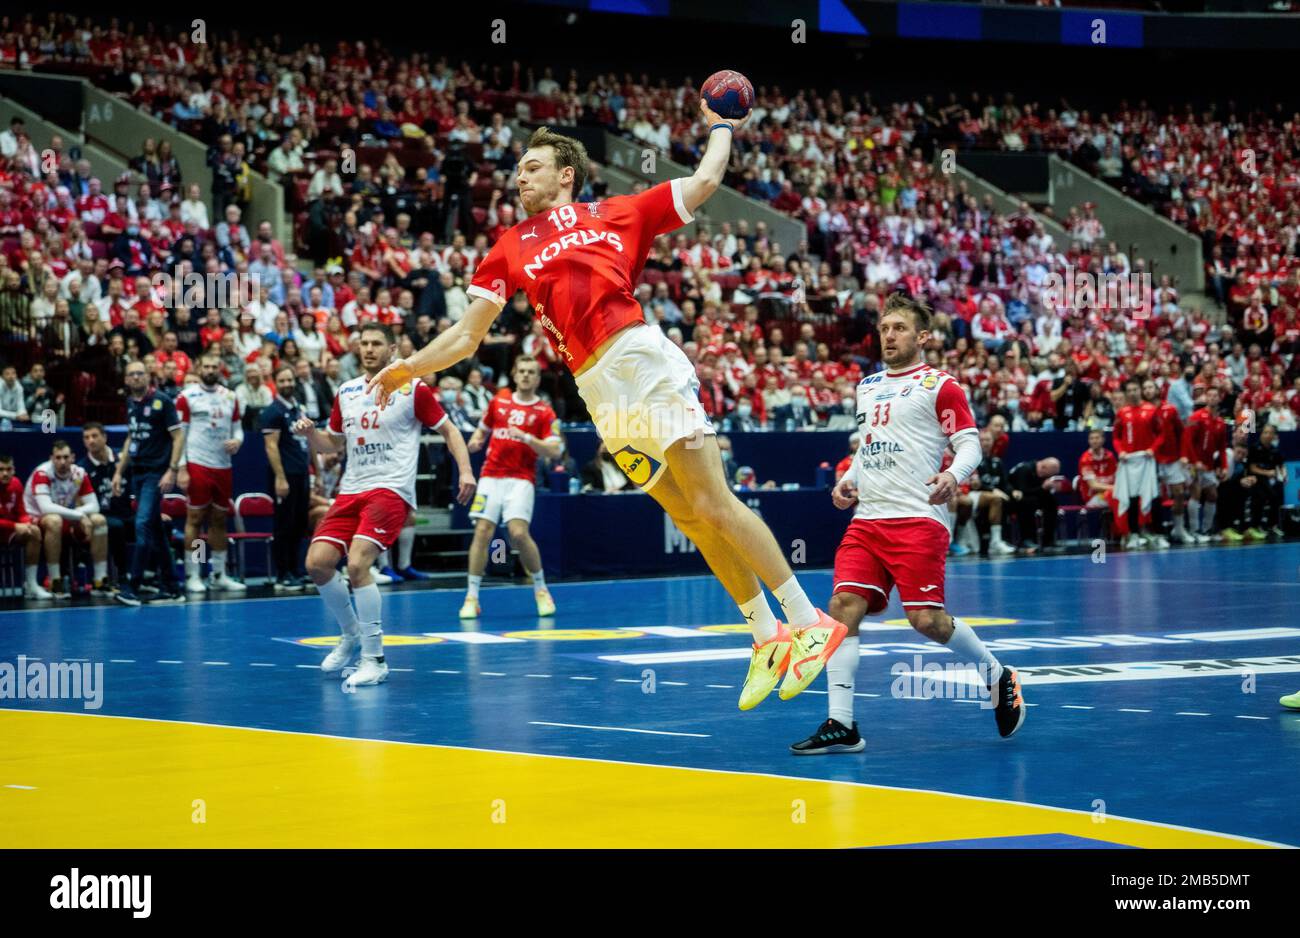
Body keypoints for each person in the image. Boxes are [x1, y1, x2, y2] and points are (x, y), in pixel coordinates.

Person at [367, 116, 846, 711]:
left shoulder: (615, 212)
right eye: (518, 169)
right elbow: (467, 336)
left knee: (713, 502)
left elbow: (702, 181)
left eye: (533, 167)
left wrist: (722, 125)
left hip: (639, 358)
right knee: (693, 520)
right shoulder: (509, 245)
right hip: (596, 390)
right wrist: (408, 366)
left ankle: (808, 621)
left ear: (566, 176)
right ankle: (765, 635)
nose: (520, 176)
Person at [791, 294, 1025, 754]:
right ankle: (842, 723)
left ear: (922, 337)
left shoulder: (941, 385)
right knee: (842, 608)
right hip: (869, 519)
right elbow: (870, 445)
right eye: (884, 328)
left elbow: (970, 445)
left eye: (899, 328)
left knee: (926, 621)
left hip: (918, 517)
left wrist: (952, 476)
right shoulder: (868, 385)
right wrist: (848, 480)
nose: (889, 336)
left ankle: (998, 675)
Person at [297, 325, 475, 689]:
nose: (369, 349)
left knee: (358, 563)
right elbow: (331, 444)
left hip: (390, 489)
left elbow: (450, 432)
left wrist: (466, 471)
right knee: (316, 564)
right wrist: (310, 435)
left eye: (376, 343)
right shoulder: (346, 391)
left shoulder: (413, 388)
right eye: (363, 343)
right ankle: (350, 635)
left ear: (392, 349)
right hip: (351, 489)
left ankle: (374, 659)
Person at [462, 355, 563, 619]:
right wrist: (475, 441)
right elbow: (482, 430)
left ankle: (541, 589)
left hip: (520, 479)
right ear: (515, 375)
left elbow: (555, 450)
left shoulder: (544, 412)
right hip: (490, 476)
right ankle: (472, 596)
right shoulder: (499, 402)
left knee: (518, 533)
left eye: (532, 372)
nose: (527, 376)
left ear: (538, 378)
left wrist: (529, 438)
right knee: (483, 531)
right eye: (522, 371)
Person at [112, 362, 186, 605]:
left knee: (142, 523)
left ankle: (132, 587)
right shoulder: (131, 403)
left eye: (140, 373)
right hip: (137, 472)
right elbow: (131, 438)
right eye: (131, 374)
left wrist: (172, 470)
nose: (135, 377)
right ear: (125, 380)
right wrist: (118, 473)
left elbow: (178, 437)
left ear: (148, 376)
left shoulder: (162, 401)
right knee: (154, 528)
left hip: (156, 473)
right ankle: (173, 587)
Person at [176, 354, 246, 594]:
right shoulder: (187, 397)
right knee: (195, 520)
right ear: (199, 368)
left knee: (218, 520)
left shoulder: (230, 396)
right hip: (197, 463)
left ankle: (218, 575)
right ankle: (194, 574)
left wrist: (237, 441)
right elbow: (179, 436)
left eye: (214, 366)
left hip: (223, 466)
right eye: (205, 366)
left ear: (220, 369)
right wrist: (182, 467)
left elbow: (238, 429)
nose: (209, 369)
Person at [25, 439, 112, 599]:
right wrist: (79, 515)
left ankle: (100, 581)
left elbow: (94, 506)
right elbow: (46, 508)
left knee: (99, 519)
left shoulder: (79, 473)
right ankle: (55, 582)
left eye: (66, 457)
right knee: (54, 520)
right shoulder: (42, 473)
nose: (62, 462)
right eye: (58, 458)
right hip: (36, 520)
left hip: (64, 517)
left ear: (72, 457)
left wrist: (79, 513)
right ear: (52, 458)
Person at [259, 365, 312, 591]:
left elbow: (308, 440)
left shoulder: (298, 408)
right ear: (275, 383)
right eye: (282, 381)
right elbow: (271, 447)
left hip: (301, 473)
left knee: (299, 524)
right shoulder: (273, 411)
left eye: (290, 380)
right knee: (284, 525)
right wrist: (280, 478)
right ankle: (283, 573)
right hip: (285, 475)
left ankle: (296, 569)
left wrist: (314, 471)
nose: (287, 384)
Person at [80, 423, 133, 592]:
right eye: (87, 438)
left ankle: (151, 575)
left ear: (105, 437)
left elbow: (137, 488)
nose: (91, 441)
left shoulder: (122, 460)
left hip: (126, 512)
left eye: (94, 436)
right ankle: (123, 575)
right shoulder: (83, 469)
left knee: (156, 523)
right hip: (103, 516)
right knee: (117, 526)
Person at [1113, 379, 1165, 550]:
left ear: (1140, 391)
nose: (1133, 392)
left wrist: (1153, 449)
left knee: (1155, 497)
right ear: (1126, 393)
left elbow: (1161, 434)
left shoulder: (1151, 410)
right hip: (1129, 461)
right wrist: (1120, 451)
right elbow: (1116, 437)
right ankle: (1134, 535)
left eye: (1136, 389)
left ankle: (1158, 534)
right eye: (1130, 390)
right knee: (1132, 498)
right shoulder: (1122, 413)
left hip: (1147, 460)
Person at [1147, 378, 1192, 544]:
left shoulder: (1170, 409)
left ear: (1157, 390)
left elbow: (1182, 433)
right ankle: (1157, 534)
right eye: (1146, 388)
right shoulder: (1144, 411)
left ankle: (1179, 529)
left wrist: (1183, 455)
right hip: (1153, 460)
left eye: (1151, 387)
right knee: (1154, 497)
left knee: (1179, 493)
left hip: (1173, 458)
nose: (1148, 390)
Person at [1183, 386, 1229, 543]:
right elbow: (1187, 441)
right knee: (1195, 493)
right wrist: (1195, 461)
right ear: (1205, 398)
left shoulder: (1221, 422)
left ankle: (1206, 529)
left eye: (1215, 395)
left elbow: (1222, 447)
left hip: (1208, 465)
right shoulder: (1195, 417)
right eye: (1209, 395)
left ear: (1219, 398)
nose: (1212, 398)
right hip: (1193, 464)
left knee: (1212, 495)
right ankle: (1194, 531)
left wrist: (1224, 466)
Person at [0, 454, 47, 599]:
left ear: (14, 470)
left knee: (34, 532)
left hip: (9, 532)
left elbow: (21, 511)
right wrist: (15, 526)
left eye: (9, 469)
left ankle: (31, 584)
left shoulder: (16, 484)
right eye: (1, 470)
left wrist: (26, 522)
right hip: (7, 528)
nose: (5, 473)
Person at [1006, 456, 1063, 554]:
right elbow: (1023, 492)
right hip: (1012, 500)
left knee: (1052, 502)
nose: (1049, 477)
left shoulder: (1042, 473)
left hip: (1030, 498)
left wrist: (1052, 488)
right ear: (1043, 467)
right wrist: (1043, 488)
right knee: (1028, 502)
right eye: (1050, 474)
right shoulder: (1024, 470)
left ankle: (1048, 540)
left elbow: (1038, 493)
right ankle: (1027, 539)